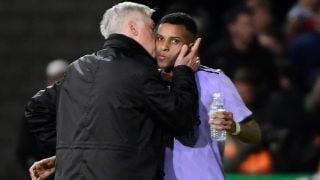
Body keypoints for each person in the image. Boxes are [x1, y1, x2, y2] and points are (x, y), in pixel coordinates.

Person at [29, 12, 260, 180]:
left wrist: (235, 128)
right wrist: (67, 157)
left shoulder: (215, 81)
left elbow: (254, 133)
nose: (164, 47)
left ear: (192, 46)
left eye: (175, 41)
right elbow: (123, 137)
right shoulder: (140, 81)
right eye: (159, 38)